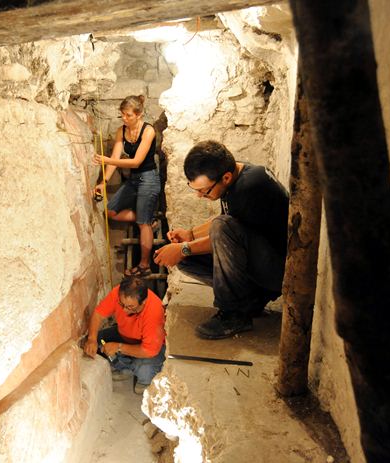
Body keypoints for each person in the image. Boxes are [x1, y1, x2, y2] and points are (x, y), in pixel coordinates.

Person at [154, 140, 289, 340]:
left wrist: (183, 248)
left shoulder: (250, 187)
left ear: (225, 177)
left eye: (204, 190)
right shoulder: (235, 175)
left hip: (279, 272)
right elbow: (230, 220)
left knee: (210, 235)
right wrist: (190, 235)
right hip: (260, 262)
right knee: (188, 260)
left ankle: (234, 314)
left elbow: (224, 230)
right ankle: (251, 302)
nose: (200, 196)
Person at [93, 95, 160, 277]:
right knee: (111, 211)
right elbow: (115, 160)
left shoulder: (148, 131)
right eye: (122, 114)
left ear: (138, 114)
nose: (124, 118)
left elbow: (137, 162)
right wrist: (103, 182)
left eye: (128, 115)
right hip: (134, 179)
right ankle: (146, 219)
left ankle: (144, 265)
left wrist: (106, 159)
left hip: (148, 178)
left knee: (142, 224)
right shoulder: (121, 131)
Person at [83, 277, 166, 394]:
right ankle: (126, 366)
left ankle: (134, 368)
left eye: (130, 307)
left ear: (143, 302)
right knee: (97, 339)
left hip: (152, 347)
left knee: (144, 372)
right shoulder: (118, 293)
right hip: (124, 335)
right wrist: (91, 339)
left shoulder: (154, 311)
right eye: (122, 304)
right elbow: (98, 314)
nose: (124, 311)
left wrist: (118, 347)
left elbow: (149, 351)